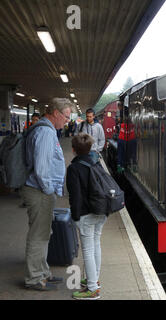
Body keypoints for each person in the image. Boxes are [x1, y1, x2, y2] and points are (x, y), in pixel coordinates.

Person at [21, 98, 72, 291]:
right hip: (40, 191)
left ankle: (43, 273)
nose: (67, 121)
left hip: (41, 191)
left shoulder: (48, 130)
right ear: (56, 113)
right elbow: (42, 169)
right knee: (38, 236)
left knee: (44, 234)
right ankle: (34, 278)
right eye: (66, 117)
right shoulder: (45, 132)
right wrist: (50, 189)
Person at [66, 133, 106, 300]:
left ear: (73, 150)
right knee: (96, 243)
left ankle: (92, 289)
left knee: (88, 250)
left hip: (86, 214)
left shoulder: (74, 168)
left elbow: (75, 196)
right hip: (101, 211)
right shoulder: (96, 162)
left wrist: (75, 217)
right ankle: (94, 280)